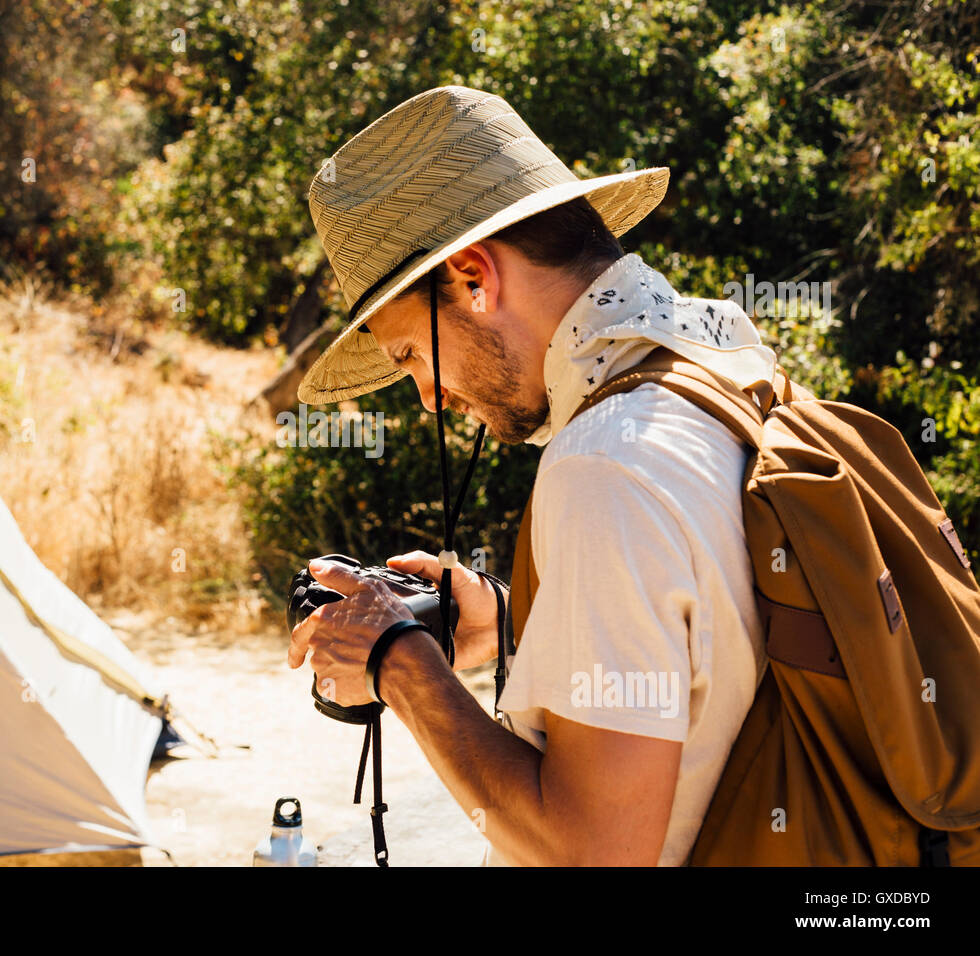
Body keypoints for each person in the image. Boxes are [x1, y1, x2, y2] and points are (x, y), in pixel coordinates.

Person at [286, 86, 777, 866]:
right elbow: (725, 637)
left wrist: (401, 660)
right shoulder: (730, 366)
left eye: (412, 356)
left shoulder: (604, 468)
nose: (430, 398)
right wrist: (518, 624)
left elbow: (596, 852)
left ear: (475, 279)